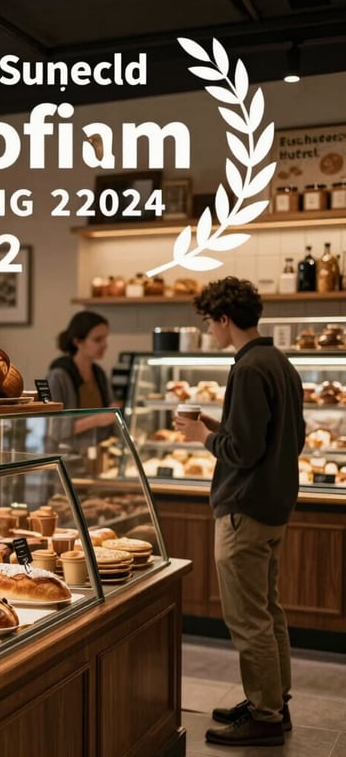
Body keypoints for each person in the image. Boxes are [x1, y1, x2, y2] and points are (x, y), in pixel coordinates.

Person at [174, 277, 305, 748]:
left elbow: (244, 450)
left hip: (243, 510)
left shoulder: (248, 368)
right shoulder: (280, 363)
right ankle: (275, 700)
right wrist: (218, 425)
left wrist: (201, 438)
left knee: (247, 619)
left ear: (225, 318)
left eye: (211, 322)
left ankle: (266, 716)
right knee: (268, 612)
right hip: (273, 506)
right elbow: (288, 438)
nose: (211, 331)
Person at [45, 311, 121, 458]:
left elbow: (110, 412)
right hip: (66, 458)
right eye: (98, 340)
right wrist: (97, 420)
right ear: (78, 342)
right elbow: (52, 428)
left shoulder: (99, 373)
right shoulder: (58, 376)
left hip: (96, 457)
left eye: (105, 339)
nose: (105, 345)